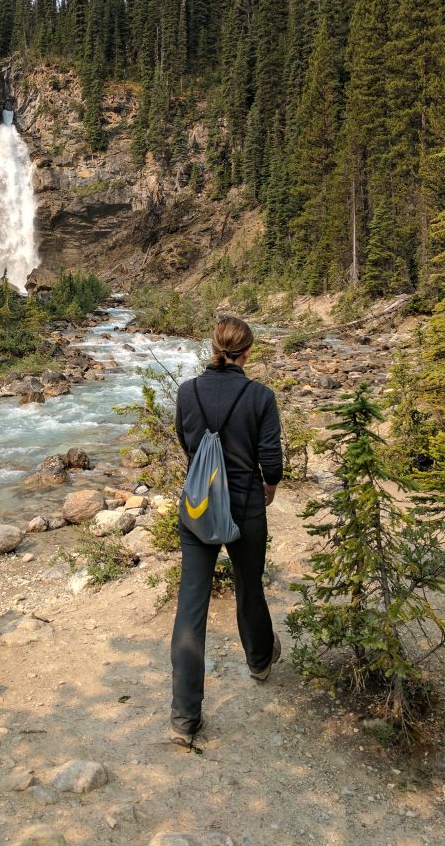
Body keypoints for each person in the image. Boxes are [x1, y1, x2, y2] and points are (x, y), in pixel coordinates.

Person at [170, 314, 283, 747]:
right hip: (246, 508)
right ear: (247, 351)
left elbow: (187, 442)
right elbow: (270, 458)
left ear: (212, 347)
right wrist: (267, 487)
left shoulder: (187, 391)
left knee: (191, 605)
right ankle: (258, 662)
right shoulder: (260, 396)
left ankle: (184, 718)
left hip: (198, 508)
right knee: (249, 586)